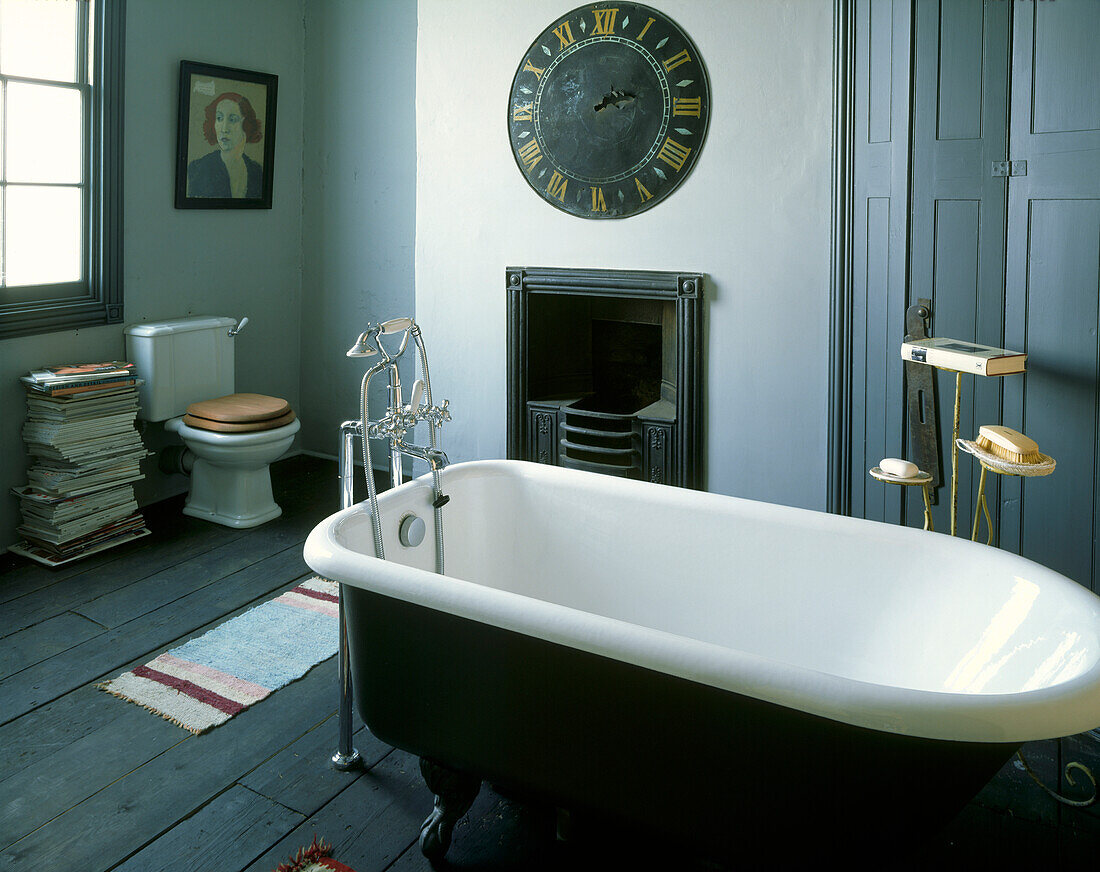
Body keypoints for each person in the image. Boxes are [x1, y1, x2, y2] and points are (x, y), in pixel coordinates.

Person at [187, 92, 264, 198]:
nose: (224, 129)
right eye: (219, 118)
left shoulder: (257, 171)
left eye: (232, 120)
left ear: (246, 125)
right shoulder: (198, 169)